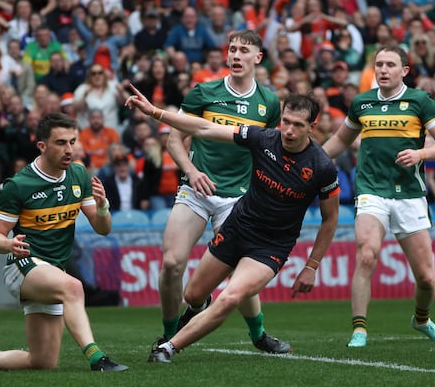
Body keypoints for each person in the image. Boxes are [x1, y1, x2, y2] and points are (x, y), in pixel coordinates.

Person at [124, 89, 339, 363]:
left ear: (313, 126)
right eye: (286, 121)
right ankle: (203, 316)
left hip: (270, 247)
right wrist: (156, 112)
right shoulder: (263, 138)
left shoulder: (321, 167)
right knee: (193, 295)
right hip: (237, 228)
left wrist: (311, 266)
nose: (289, 130)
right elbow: (204, 127)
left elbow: (330, 219)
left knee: (231, 296)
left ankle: (168, 347)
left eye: (298, 125)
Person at [0, 113, 128, 372]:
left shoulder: (79, 175)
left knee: (42, 361)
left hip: (53, 271)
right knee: (74, 288)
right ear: (42, 146)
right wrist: (8, 244)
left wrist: (103, 206)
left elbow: (102, 228)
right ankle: (98, 359)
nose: (69, 149)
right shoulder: (18, 185)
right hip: (22, 265)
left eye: (72, 142)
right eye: (61, 143)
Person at [150, 29, 289, 355]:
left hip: (238, 196)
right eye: (232, 49)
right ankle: (170, 334)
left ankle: (259, 335)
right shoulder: (204, 92)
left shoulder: (268, 102)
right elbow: (173, 140)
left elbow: (266, 150)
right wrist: (192, 171)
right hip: (197, 189)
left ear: (258, 57)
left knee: (242, 268)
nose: (236, 55)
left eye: (244, 50)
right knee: (171, 264)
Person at [322, 45, 435, 348]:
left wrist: (421, 152)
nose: (383, 70)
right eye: (379, 64)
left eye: (390, 65)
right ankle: (359, 329)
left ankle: (421, 320)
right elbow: (340, 141)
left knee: (426, 279)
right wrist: (310, 161)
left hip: (409, 194)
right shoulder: (362, 103)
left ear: (404, 71)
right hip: (371, 190)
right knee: (366, 253)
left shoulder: (420, 101)